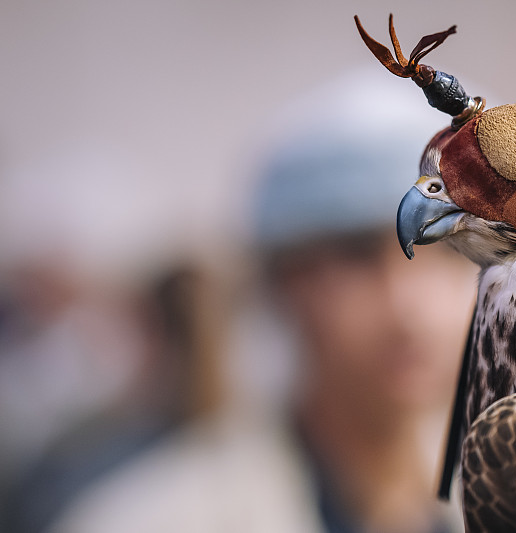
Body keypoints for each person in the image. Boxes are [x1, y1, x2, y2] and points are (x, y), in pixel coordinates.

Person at [48, 70, 478, 533]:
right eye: (357, 256)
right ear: (281, 283)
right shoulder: (148, 520)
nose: (411, 307)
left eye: (451, 250)